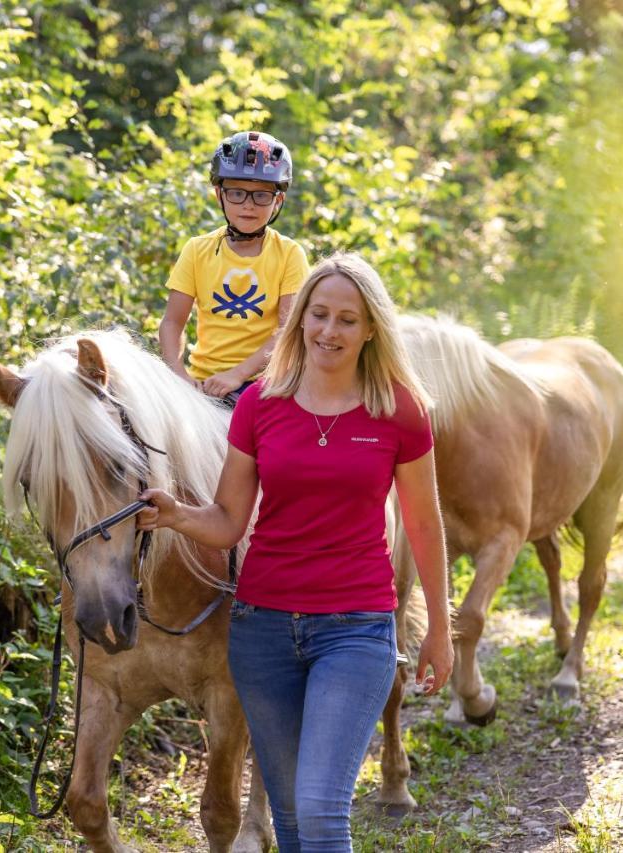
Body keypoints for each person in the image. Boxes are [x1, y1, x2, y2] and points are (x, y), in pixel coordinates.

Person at [138, 253, 455, 851]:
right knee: (287, 817)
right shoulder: (261, 404)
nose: (328, 331)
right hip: (263, 633)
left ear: (370, 331)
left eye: (346, 319)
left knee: (320, 808)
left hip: (356, 629)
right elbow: (230, 520)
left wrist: (440, 628)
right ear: (299, 320)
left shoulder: (398, 409)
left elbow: (423, 524)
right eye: (318, 315)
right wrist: (177, 515)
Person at [158, 130, 311, 405]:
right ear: (219, 195)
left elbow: (289, 332)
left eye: (261, 196)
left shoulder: (289, 254)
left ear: (278, 200)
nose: (248, 206)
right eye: (237, 193)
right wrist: (178, 375)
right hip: (204, 380)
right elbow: (172, 322)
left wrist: (238, 375)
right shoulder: (197, 250)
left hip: (265, 383)